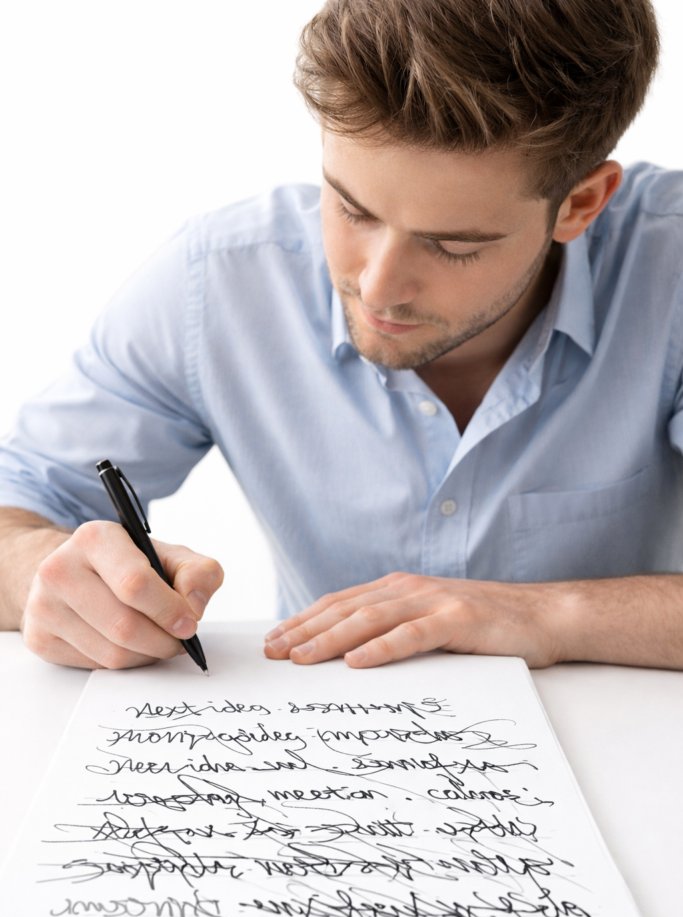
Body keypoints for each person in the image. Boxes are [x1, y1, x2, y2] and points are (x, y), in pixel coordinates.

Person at [0, 0, 679, 674]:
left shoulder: (668, 268)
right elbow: (20, 500)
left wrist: (548, 614)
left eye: (451, 245)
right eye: (351, 208)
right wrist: (47, 578)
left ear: (581, 204)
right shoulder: (220, 282)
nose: (378, 287)